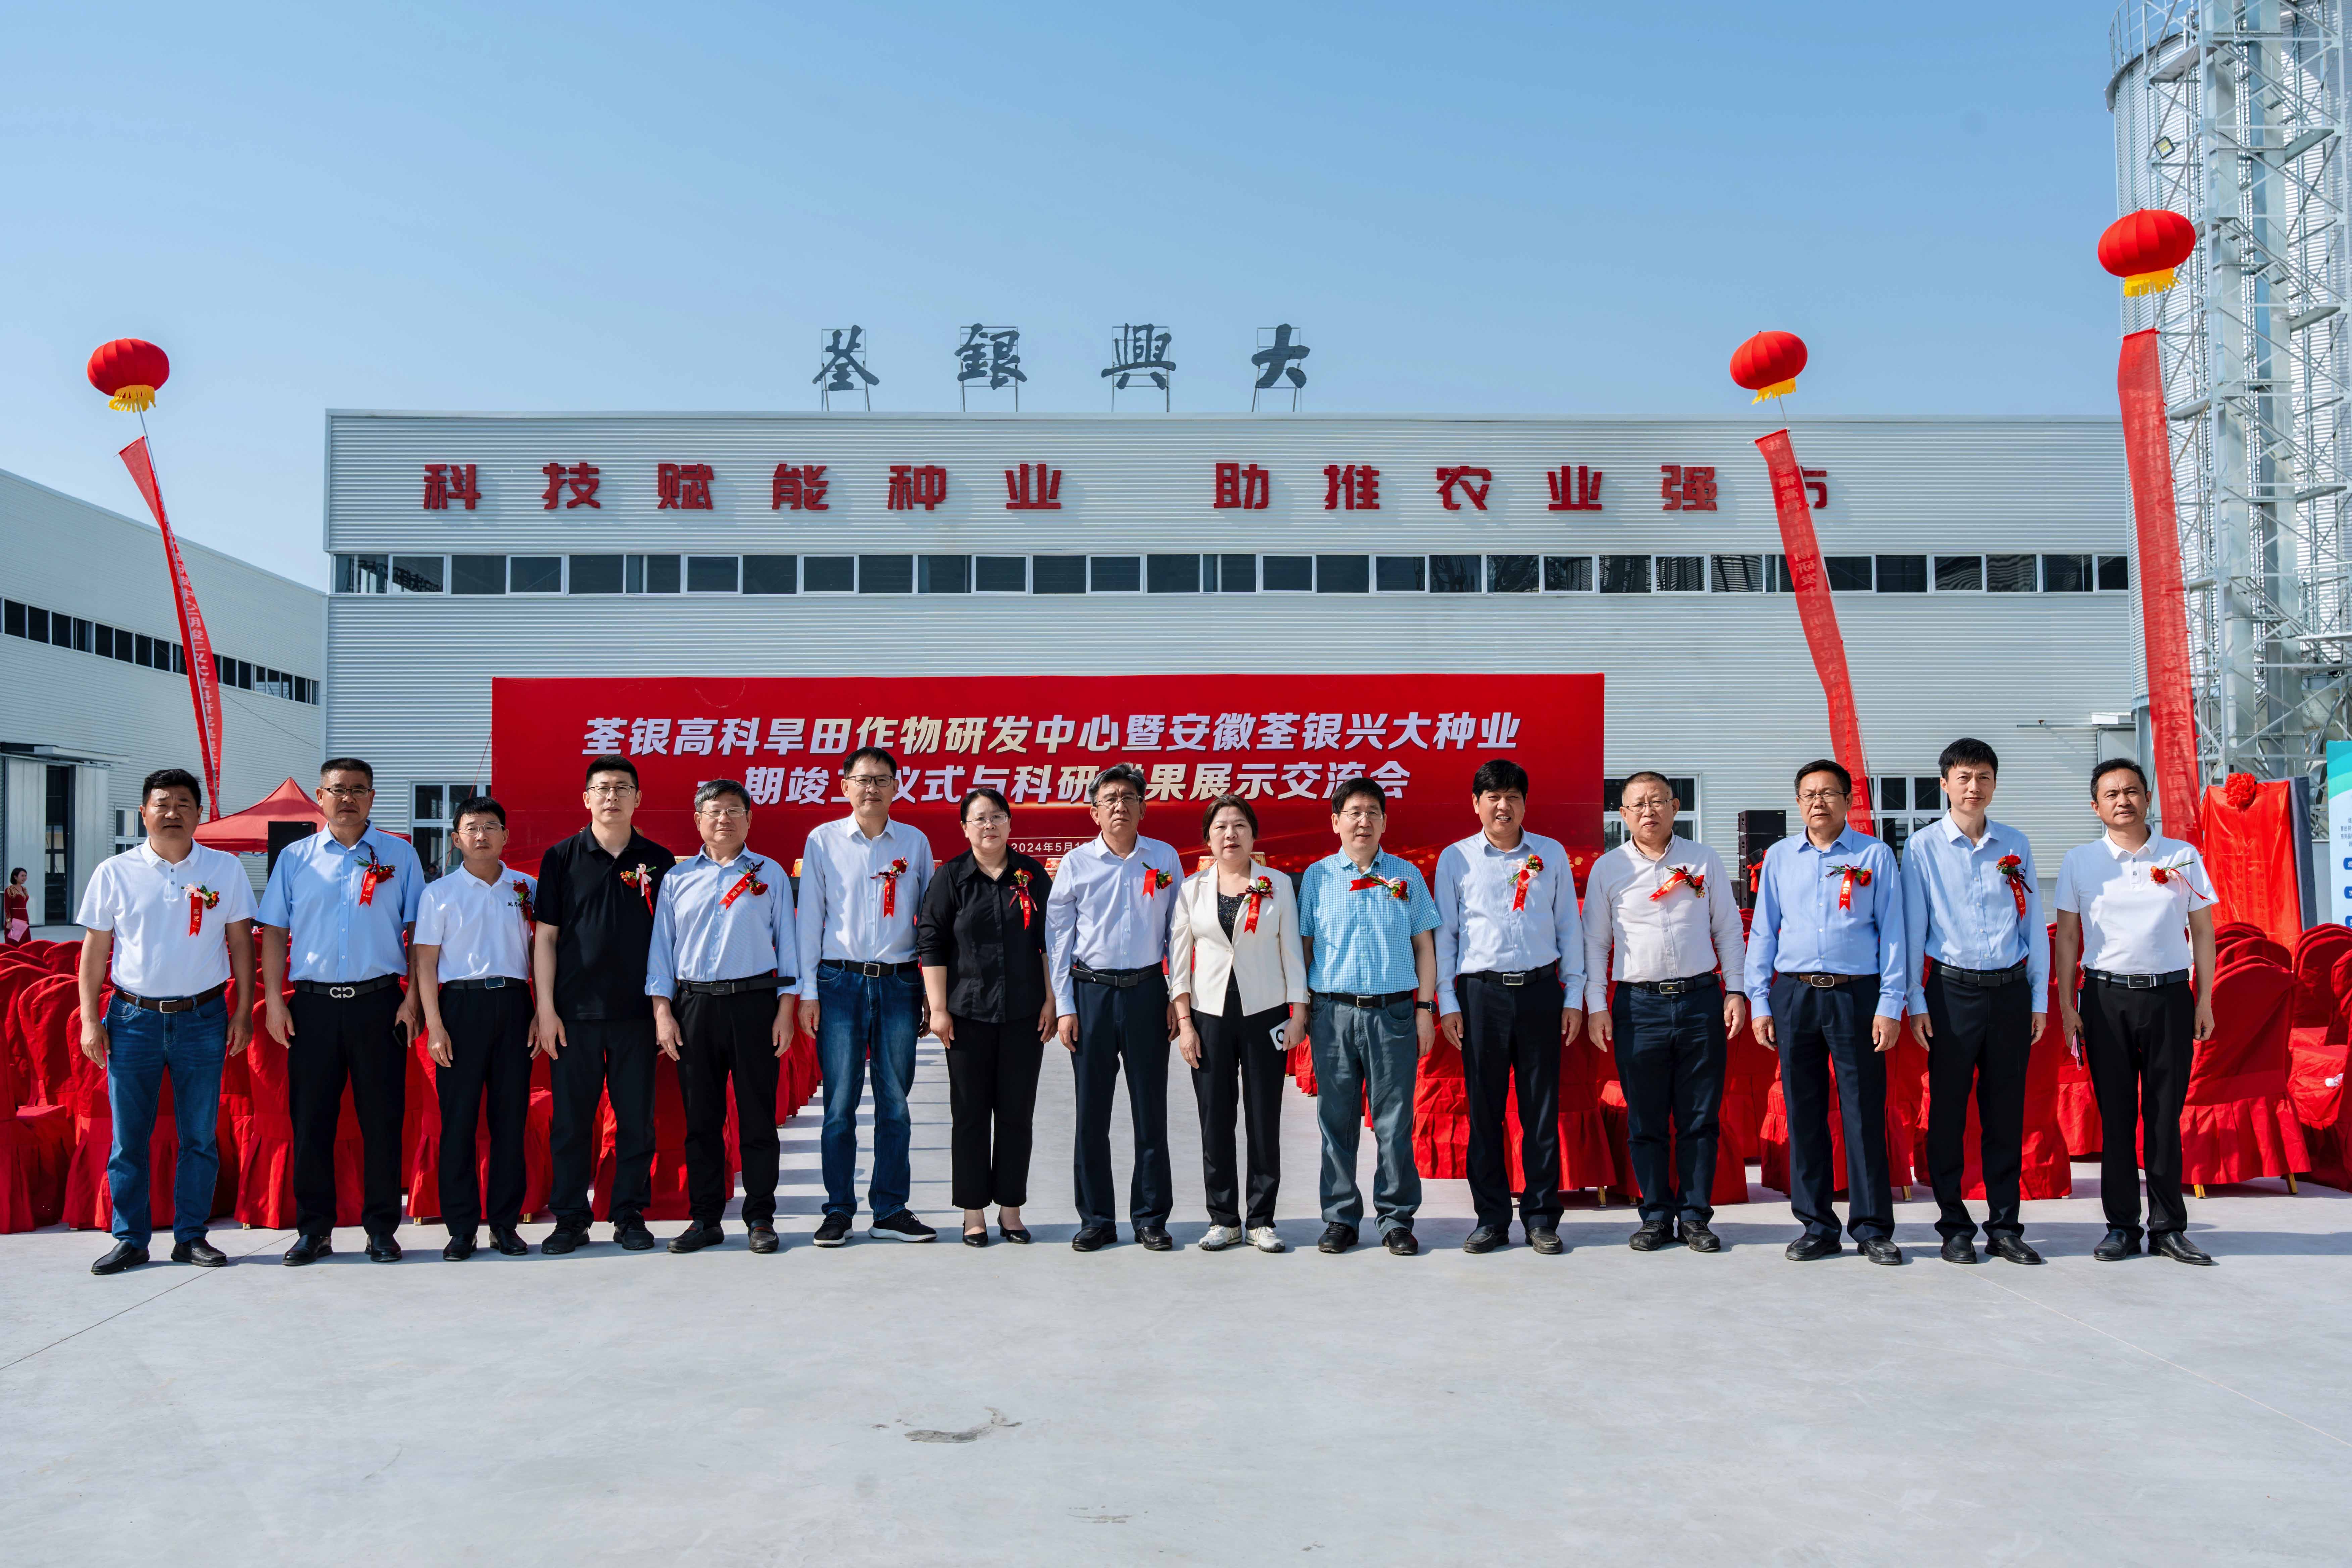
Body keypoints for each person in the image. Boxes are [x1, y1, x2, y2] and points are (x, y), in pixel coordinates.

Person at [76, 768, 256, 1275]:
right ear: (144, 813)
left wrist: (243, 1011)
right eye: (162, 803)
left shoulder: (225, 869)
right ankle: (130, 1239)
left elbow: (241, 944)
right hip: (133, 1018)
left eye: (183, 803)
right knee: (128, 1139)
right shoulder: (115, 871)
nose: (172, 812)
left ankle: (191, 1236)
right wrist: (90, 1019)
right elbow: (95, 951)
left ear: (200, 814)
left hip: (203, 1017)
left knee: (199, 1136)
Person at [258, 757, 425, 1265]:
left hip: (380, 1005)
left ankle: (382, 1230)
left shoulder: (400, 855)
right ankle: (314, 1231)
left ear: (372, 797)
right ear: (320, 796)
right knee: (312, 1123)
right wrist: (274, 1001)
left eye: (358, 789)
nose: (347, 798)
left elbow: (419, 933)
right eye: (338, 790)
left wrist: (413, 999)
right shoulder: (295, 858)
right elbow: (274, 932)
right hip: (312, 1007)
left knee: (382, 1122)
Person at [2053, 758, 2219, 1266]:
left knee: (2164, 1117)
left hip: (2169, 997)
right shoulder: (2080, 861)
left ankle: (2168, 1228)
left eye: (2131, 791)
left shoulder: (2182, 855)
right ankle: (2122, 1226)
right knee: (2118, 1117)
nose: (2122, 801)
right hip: (2105, 1000)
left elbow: (2203, 931)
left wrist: (2205, 998)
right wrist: (2067, 1005)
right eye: (2111, 794)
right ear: (2095, 806)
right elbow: (2068, 938)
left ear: (2148, 798)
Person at [1744, 759, 1907, 1266]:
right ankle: (1816, 1225)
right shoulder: (1779, 857)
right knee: (1804, 1112)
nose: (1819, 802)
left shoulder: (1874, 855)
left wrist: (1891, 1003)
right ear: (1798, 803)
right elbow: (1764, 930)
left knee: (1862, 1112)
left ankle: (1873, 1227)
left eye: (1829, 793)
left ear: (1848, 801)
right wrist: (1759, 1000)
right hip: (1795, 995)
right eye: (1809, 794)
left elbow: (1894, 932)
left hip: (1856, 996)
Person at [1584, 771, 1747, 1254]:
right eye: (1638, 804)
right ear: (1623, 815)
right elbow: (1595, 944)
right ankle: (1655, 1214)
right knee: (1647, 1120)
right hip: (1638, 1006)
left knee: (1699, 1118)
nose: (1649, 811)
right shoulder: (1609, 868)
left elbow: (1728, 930)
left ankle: (1695, 1216)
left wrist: (1735, 991)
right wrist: (1597, 1006)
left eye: (1658, 801)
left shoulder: (1704, 859)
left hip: (1700, 1000)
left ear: (1675, 807)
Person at [1902, 739, 2050, 1267]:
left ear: (1994, 784)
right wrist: (1915, 1000)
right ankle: (1954, 1225)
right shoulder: (1922, 847)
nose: (1974, 787)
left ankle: (2005, 1226)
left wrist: (2038, 997)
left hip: (2010, 992)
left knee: (2005, 1115)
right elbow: (1913, 926)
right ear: (1945, 784)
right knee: (1947, 1113)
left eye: (1984, 777)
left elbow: (2033, 921)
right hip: (1951, 993)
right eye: (1964, 777)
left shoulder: (2016, 843)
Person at [1434, 759, 1585, 1256]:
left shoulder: (1550, 853)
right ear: (1476, 804)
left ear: (1525, 803)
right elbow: (1447, 935)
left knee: (1541, 1111)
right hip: (1481, 997)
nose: (1504, 806)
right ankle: (1492, 1218)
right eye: (1494, 797)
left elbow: (1569, 927)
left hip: (1542, 993)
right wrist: (1448, 1000)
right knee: (1485, 1112)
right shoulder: (1456, 858)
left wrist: (1574, 994)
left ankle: (1541, 1218)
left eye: (1513, 797)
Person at [648, 778, 799, 1254]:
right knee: (702, 1120)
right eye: (714, 810)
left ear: (749, 819)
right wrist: (663, 1012)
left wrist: (786, 1011)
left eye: (734, 810)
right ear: (698, 820)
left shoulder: (770, 873)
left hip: (754, 1005)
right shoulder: (677, 878)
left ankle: (761, 1218)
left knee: (757, 1118)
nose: (724, 818)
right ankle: (705, 1218)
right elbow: (662, 951)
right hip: (694, 1007)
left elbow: (789, 948)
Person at [533, 755, 677, 1254]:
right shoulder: (561, 858)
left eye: (622, 788)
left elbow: (669, 941)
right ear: (587, 798)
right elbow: (546, 938)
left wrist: (663, 1009)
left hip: (637, 1015)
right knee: (572, 1123)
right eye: (602, 788)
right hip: (574, 1015)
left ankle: (629, 1214)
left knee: (636, 1121)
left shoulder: (659, 860)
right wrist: (545, 1009)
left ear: (638, 798)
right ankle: (570, 1218)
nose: (612, 796)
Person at [796, 746, 937, 1245]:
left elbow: (929, 923)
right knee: (839, 1104)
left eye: (881, 779)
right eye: (863, 779)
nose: (871, 788)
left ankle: (891, 1209)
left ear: (897, 787)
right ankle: (838, 1209)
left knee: (895, 1103)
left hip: (899, 982)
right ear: (845, 786)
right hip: (839, 983)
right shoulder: (824, 840)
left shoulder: (915, 842)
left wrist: (929, 990)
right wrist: (808, 991)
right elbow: (810, 920)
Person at [1294, 776, 1440, 1257]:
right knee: (1335, 1122)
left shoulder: (1406, 874)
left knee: (1394, 1123)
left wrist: (1424, 1009)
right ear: (1335, 822)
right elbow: (1304, 948)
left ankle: (1396, 1218)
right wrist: (1301, 1009)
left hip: (1392, 1014)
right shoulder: (1317, 876)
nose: (1363, 821)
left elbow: (1425, 947)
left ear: (1384, 822)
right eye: (1354, 813)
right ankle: (1340, 1218)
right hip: (1332, 1013)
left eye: (1372, 812)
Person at [1045, 763, 1185, 1252]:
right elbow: (1059, 939)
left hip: (1148, 992)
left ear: (1143, 807)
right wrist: (1065, 1005)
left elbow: (1178, 934)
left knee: (1151, 1112)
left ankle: (1151, 1217)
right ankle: (1097, 1219)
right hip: (1092, 995)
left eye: (1128, 797)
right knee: (1092, 1114)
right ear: (1095, 812)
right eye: (1110, 799)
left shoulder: (1164, 857)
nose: (1120, 806)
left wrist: (1176, 997)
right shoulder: (1076, 864)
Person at [917, 787, 1055, 1246]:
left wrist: (1052, 1000)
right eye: (979, 819)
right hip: (966, 1015)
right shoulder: (951, 878)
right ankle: (973, 1212)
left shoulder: (1031, 875)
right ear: (965, 828)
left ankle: (1011, 1210)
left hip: (1024, 1014)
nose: (989, 826)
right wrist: (938, 1009)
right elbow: (932, 942)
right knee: (970, 1114)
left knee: (1017, 1114)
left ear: (1010, 824)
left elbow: (1050, 942)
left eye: (997, 817)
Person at [1170, 794, 1307, 1253]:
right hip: (1209, 1016)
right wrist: (1185, 1023)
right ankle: (1224, 1218)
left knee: (1265, 1118)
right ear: (1208, 838)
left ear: (1254, 835)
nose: (1230, 835)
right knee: (1215, 1119)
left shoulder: (1277, 884)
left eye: (1240, 826)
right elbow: (1179, 962)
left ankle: (1261, 1220)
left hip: (1265, 1012)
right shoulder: (1192, 889)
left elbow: (1292, 950)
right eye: (1221, 827)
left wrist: (1299, 1011)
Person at [412, 794, 535, 1261]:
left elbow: (543, 954)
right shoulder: (439, 893)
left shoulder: (527, 888)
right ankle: (461, 1229)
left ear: (506, 835)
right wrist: (435, 1025)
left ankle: (505, 1225)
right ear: (456, 839)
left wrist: (541, 1011)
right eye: (472, 828)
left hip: (516, 1005)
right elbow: (425, 963)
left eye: (490, 826)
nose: (481, 835)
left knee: (510, 1121)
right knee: (459, 1123)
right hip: (459, 1009)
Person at [4, 866, 28, 944]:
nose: (25, 878)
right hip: (15, 919)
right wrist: (9, 922)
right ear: (15, 877)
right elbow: (7, 907)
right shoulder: (10, 890)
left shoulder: (24, 889)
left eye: (25, 876)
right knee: (14, 942)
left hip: (24, 918)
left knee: (25, 943)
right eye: (22, 876)